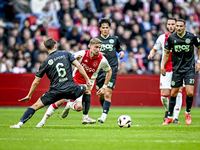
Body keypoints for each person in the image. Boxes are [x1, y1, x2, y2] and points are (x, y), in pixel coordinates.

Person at [10, 37, 92, 128]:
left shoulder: (45, 62)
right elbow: (79, 66)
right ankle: (85, 116)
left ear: (45, 48)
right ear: (55, 46)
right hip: (70, 89)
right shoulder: (66, 54)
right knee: (87, 90)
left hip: (55, 92)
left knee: (35, 106)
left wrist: (29, 95)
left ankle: (19, 124)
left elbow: (36, 81)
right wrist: (87, 80)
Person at [36, 37, 112, 127]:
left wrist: (104, 87)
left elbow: (109, 71)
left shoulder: (102, 60)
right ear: (90, 46)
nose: (97, 49)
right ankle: (42, 122)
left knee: (79, 107)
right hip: (74, 82)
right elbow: (65, 60)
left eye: (99, 47)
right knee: (60, 101)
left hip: (88, 85)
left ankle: (72, 108)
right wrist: (74, 58)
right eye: (96, 47)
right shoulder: (82, 54)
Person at [161, 19, 200, 125]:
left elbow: (199, 47)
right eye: (177, 26)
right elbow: (166, 53)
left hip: (189, 68)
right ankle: (169, 117)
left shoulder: (191, 37)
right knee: (173, 93)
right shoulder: (171, 38)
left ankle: (187, 113)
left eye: (180, 26)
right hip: (177, 70)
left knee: (190, 92)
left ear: (185, 27)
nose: (178, 28)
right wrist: (162, 66)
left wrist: (198, 62)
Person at [148, 17, 183, 123]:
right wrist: (151, 54)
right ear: (167, 25)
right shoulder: (162, 38)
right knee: (164, 95)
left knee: (178, 92)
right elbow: (155, 48)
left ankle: (175, 117)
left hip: (179, 68)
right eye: (169, 24)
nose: (171, 26)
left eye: (173, 24)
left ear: (176, 25)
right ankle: (168, 111)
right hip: (166, 69)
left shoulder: (182, 38)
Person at [95, 18, 124, 123]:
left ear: (110, 28)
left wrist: (122, 53)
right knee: (101, 94)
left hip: (111, 70)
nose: (105, 29)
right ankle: (105, 109)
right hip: (99, 71)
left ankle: (103, 116)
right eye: (103, 28)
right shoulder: (95, 40)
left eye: (107, 28)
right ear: (100, 29)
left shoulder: (115, 39)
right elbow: (90, 53)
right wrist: (96, 54)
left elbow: (119, 49)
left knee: (107, 93)